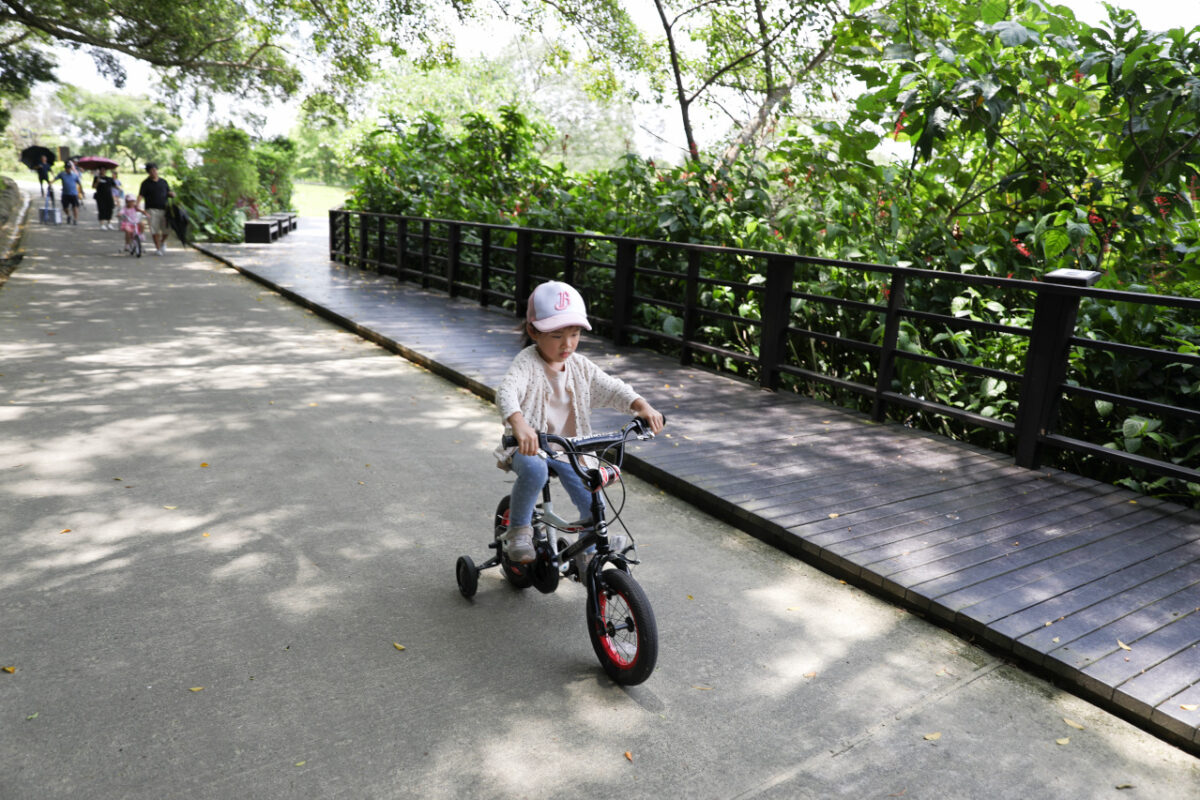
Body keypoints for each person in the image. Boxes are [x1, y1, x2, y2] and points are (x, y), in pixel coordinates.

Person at [493, 281, 665, 565]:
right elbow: (507, 391)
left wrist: (641, 406)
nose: (568, 344)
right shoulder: (527, 363)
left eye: (574, 334)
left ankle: (589, 554)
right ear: (533, 331)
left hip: (569, 448)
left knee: (590, 490)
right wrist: (519, 424)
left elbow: (611, 387)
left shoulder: (580, 366)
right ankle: (518, 531)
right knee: (535, 470)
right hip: (529, 447)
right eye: (557, 335)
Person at [136, 162, 175, 256]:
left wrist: (172, 194)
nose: (153, 172)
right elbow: (141, 195)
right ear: (148, 173)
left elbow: (168, 192)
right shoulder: (145, 183)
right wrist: (137, 204)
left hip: (164, 209)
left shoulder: (163, 182)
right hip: (151, 209)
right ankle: (158, 248)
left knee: (167, 229)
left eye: (154, 170)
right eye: (151, 171)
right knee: (155, 229)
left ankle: (162, 241)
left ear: (157, 170)